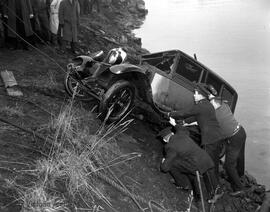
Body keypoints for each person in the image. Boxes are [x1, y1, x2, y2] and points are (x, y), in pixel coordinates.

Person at [166, 84, 224, 178]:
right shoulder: (207, 105)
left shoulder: (201, 106)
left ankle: (210, 188)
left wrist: (170, 114)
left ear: (201, 95)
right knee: (213, 163)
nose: (194, 95)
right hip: (217, 137)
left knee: (206, 163)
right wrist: (184, 122)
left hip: (210, 139)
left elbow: (185, 112)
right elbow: (196, 117)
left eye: (196, 93)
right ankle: (214, 185)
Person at [159, 120, 222, 203]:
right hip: (206, 158)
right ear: (173, 133)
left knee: (172, 164)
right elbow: (181, 128)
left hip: (196, 165)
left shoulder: (170, 146)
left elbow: (165, 168)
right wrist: (174, 124)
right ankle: (216, 192)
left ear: (165, 139)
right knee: (178, 159)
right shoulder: (182, 133)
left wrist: (164, 162)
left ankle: (183, 184)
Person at [208, 89, 247, 195]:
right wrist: (211, 97)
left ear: (216, 103)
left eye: (211, 103)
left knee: (229, 165)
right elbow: (216, 99)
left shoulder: (216, 115)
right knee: (240, 157)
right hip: (241, 131)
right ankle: (240, 175)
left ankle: (239, 189)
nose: (210, 105)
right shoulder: (225, 105)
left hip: (234, 137)